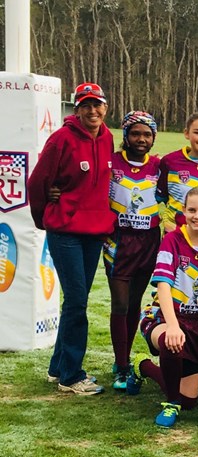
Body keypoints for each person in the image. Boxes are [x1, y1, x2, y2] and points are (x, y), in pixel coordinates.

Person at [29, 82, 113, 395]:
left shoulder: (107, 137)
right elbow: (38, 182)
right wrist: (46, 217)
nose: (92, 111)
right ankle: (72, 376)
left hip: (94, 232)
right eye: (85, 105)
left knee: (75, 302)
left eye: (97, 105)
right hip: (65, 231)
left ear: (105, 107)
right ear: (76, 109)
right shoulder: (61, 138)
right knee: (77, 301)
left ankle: (57, 367)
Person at [136, 187, 198, 427]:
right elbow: (163, 287)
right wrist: (173, 325)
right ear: (183, 211)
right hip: (164, 316)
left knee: (191, 401)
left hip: (196, 324)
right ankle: (171, 404)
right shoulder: (172, 240)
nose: (197, 216)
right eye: (192, 210)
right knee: (170, 339)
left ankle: (145, 366)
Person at [104, 111, 162, 390]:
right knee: (120, 303)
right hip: (118, 240)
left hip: (149, 240)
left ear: (154, 138)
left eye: (147, 134)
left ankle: (123, 359)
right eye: (135, 133)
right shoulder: (112, 162)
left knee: (135, 303)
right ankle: (122, 365)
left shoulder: (160, 167)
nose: (141, 139)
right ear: (125, 136)